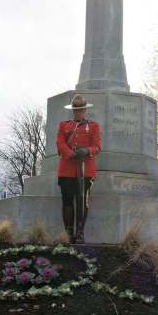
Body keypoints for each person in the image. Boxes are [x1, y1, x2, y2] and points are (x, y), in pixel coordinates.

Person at [56, 94, 101, 244]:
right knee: (67, 201)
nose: (79, 113)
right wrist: (71, 154)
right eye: (76, 110)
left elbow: (97, 147)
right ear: (73, 110)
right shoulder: (64, 125)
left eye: (81, 110)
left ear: (85, 110)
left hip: (85, 169)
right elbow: (60, 143)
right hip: (67, 169)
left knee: (83, 201)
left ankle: (80, 233)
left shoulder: (94, 126)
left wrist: (86, 151)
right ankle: (69, 233)